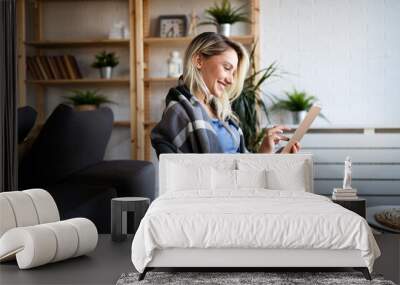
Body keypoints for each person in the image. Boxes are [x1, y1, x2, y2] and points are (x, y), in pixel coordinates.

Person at [151, 32, 300, 157]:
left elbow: (239, 162)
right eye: (227, 68)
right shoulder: (178, 112)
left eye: (234, 73)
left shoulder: (220, 112)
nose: (230, 80)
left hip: (236, 188)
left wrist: (266, 153)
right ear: (198, 61)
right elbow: (192, 176)